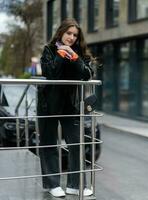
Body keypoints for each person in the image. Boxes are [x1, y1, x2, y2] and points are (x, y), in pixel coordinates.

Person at [38, 18, 94, 198]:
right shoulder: (48, 50)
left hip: (71, 105)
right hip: (48, 104)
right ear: (61, 32)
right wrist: (61, 55)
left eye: (75, 35)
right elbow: (50, 73)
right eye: (68, 33)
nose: (71, 37)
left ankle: (75, 185)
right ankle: (52, 184)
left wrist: (73, 55)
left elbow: (87, 74)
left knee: (77, 144)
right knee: (49, 144)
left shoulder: (79, 52)